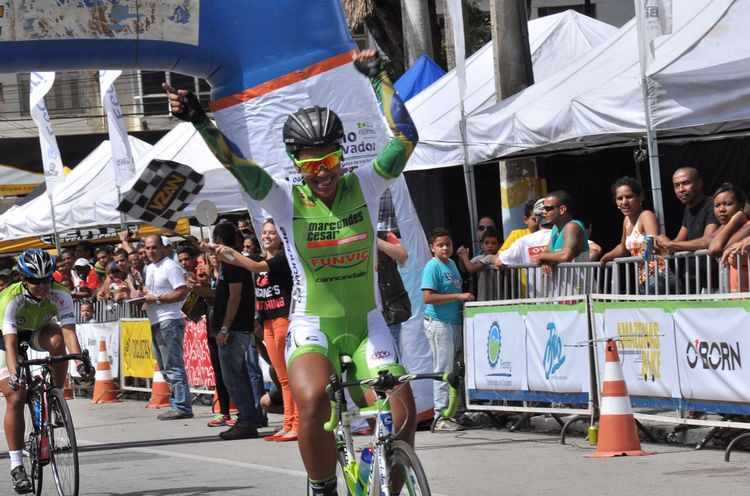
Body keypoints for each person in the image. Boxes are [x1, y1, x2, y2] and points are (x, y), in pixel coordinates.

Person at [164, 48, 417, 495]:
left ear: (342, 155)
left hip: (368, 326)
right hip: (312, 328)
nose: (322, 173)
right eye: (310, 164)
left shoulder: (367, 182)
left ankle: (392, 486)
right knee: (315, 399)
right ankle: (322, 486)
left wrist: (380, 75)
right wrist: (202, 120)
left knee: (400, 410)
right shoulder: (283, 200)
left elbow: (405, 139)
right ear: (295, 162)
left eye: (329, 161)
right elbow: (237, 165)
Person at [0, 249, 93, 493]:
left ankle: (56, 396)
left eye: (46, 279)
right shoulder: (10, 298)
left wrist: (80, 362)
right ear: (23, 280)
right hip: (6, 340)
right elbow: (10, 345)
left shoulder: (61, 295)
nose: (42, 286)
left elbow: (69, 332)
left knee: (57, 342)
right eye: (35, 280)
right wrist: (15, 374)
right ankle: (17, 466)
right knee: (16, 396)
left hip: (38, 330)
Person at [211, 218, 298, 442]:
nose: (267, 236)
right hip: (267, 321)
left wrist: (224, 250)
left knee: (288, 377)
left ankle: (295, 423)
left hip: (283, 319)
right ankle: (288, 422)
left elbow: (253, 266)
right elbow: (245, 262)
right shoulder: (260, 258)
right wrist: (214, 249)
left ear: (281, 237)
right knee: (281, 376)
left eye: (272, 233)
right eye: (265, 232)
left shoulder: (282, 259)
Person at [202, 223, 262, 440]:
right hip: (235, 327)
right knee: (239, 375)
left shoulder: (233, 263)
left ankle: (246, 421)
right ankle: (252, 417)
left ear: (220, 239)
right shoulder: (230, 260)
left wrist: (225, 328)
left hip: (234, 328)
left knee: (234, 377)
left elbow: (235, 297)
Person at [421, 228, 475, 432]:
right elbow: (428, 297)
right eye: (440, 245)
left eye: (448, 244)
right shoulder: (432, 267)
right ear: (432, 248)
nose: (445, 248)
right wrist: (459, 297)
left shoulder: (451, 264)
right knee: (443, 370)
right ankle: (440, 415)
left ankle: (457, 412)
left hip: (454, 322)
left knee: (456, 368)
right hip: (439, 323)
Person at [142, 234, 192, 421]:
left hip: (169, 319)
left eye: (154, 247)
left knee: (173, 365)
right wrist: (140, 296)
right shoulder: (150, 268)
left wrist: (156, 298)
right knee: (164, 367)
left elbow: (181, 291)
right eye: (147, 248)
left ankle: (181, 406)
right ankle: (178, 403)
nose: (150, 251)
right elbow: (151, 291)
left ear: (164, 248)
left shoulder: (170, 266)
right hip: (156, 319)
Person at [599, 177, 672, 293]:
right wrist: (605, 258)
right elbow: (623, 248)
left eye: (629, 197)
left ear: (640, 197)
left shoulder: (646, 215)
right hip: (644, 279)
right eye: (619, 198)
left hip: (658, 278)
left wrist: (644, 254)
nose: (624, 202)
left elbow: (652, 241)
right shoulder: (626, 221)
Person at [495, 199, 554, 298]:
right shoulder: (519, 237)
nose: (536, 223)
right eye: (533, 219)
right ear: (525, 219)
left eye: (537, 219)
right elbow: (499, 258)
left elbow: (499, 260)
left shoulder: (561, 235)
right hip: (528, 294)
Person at [706, 184, 749, 291]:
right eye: (717, 205)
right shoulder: (728, 229)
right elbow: (711, 245)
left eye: (728, 204)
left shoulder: (748, 226)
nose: (721, 209)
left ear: (741, 205)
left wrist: (734, 220)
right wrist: (731, 224)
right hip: (737, 300)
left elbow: (715, 250)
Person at [457, 228, 501, 301]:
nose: (490, 246)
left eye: (493, 243)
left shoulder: (492, 257)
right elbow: (464, 268)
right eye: (487, 243)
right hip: (482, 297)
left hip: (495, 298)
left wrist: (464, 256)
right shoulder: (480, 257)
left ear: (499, 246)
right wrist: (461, 257)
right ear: (481, 245)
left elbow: (471, 269)